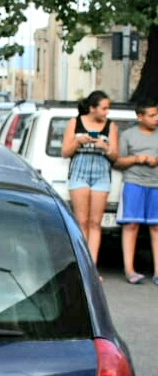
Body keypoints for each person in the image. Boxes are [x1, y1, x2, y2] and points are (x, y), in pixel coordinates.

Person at [62, 90, 118, 270]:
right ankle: (81, 265)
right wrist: (79, 141)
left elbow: (115, 156)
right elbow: (65, 152)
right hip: (80, 171)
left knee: (95, 222)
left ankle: (91, 266)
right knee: (81, 221)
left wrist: (105, 146)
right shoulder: (75, 122)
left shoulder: (111, 126)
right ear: (92, 108)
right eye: (104, 108)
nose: (107, 112)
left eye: (108, 108)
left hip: (101, 173)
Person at [115, 100, 158, 284]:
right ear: (140, 117)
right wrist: (137, 159)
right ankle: (130, 270)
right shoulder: (128, 135)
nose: (156, 119)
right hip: (133, 183)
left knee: (156, 227)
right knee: (131, 225)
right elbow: (118, 161)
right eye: (152, 115)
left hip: (156, 185)